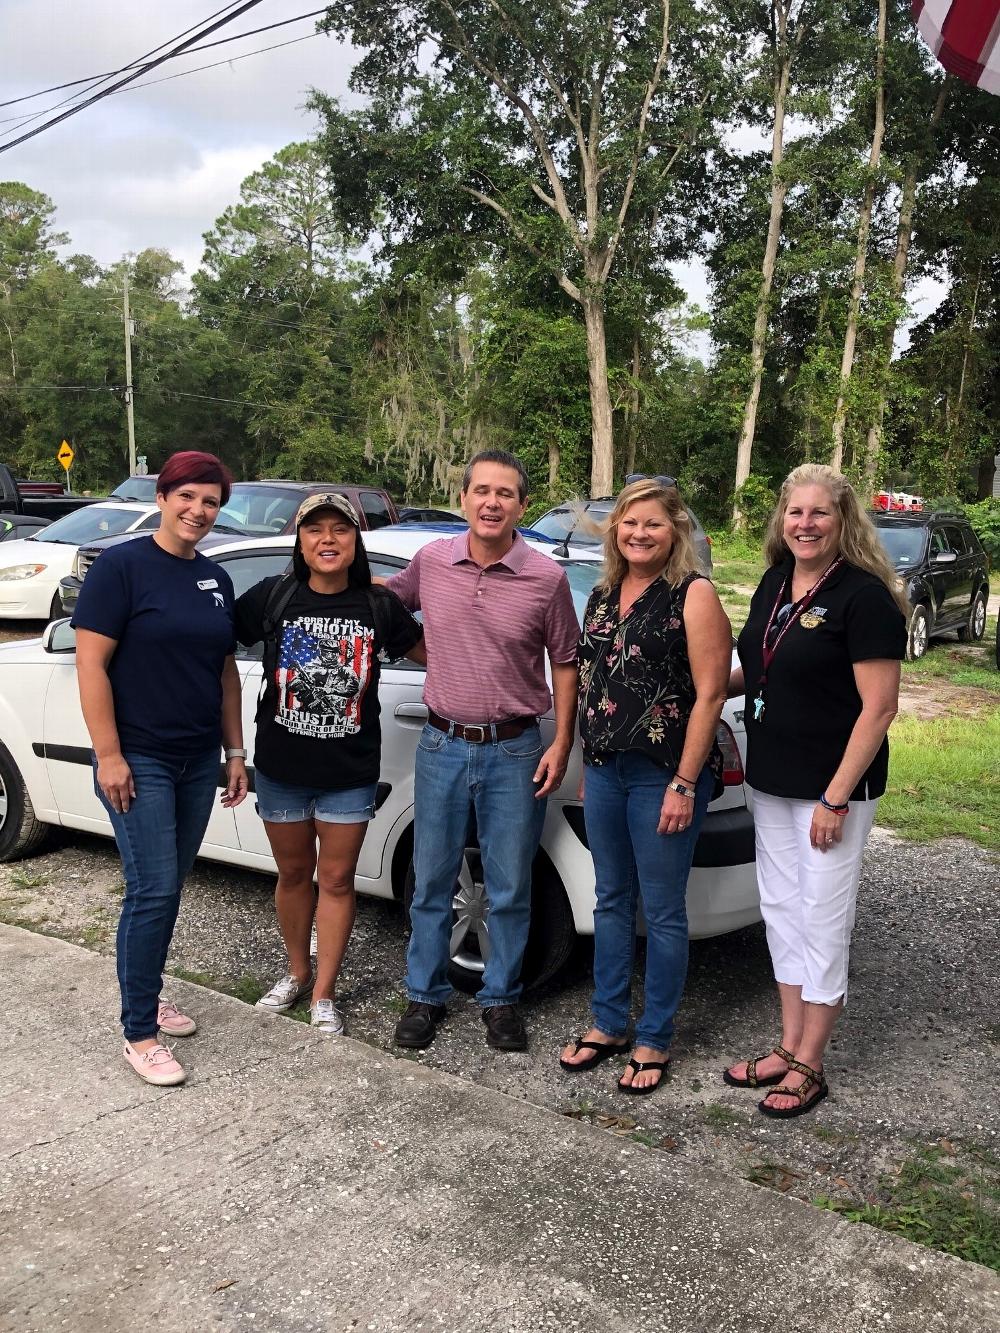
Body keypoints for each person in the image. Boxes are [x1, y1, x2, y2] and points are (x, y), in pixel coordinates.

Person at [725, 464, 907, 1118]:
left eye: (818, 513)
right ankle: (788, 1042)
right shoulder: (776, 582)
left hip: (831, 794)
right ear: (782, 518)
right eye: (794, 511)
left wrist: (835, 796)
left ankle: (812, 1064)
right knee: (782, 911)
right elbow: (766, 663)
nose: (804, 523)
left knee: (822, 920)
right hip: (771, 780)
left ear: (842, 518)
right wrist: (712, 688)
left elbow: (879, 708)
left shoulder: (864, 598)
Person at [385, 450, 579, 1052]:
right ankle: (424, 996)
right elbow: (385, 607)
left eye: (506, 493)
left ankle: (500, 1001)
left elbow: (566, 662)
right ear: (464, 498)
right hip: (441, 743)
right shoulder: (432, 561)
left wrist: (563, 740)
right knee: (432, 879)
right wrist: (318, 576)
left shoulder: (545, 579)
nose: (492, 502)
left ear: (522, 505)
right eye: (481, 491)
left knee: (509, 884)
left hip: (515, 749)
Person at [73, 451, 249, 1088]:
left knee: (166, 888)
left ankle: (144, 995)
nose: (198, 511)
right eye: (189, 497)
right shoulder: (121, 567)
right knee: (151, 890)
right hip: (138, 757)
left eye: (211, 503)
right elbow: (90, 665)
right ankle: (138, 1031)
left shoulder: (214, 578)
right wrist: (109, 754)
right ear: (163, 494)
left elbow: (223, 671)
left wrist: (234, 752)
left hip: (197, 759)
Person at [559, 478, 732, 1094]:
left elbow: (711, 692)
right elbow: (589, 678)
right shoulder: (603, 595)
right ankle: (608, 1023)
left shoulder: (695, 594)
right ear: (615, 531)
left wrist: (686, 783)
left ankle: (655, 1036)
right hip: (606, 770)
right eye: (629, 523)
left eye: (653, 524)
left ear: (675, 530)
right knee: (610, 899)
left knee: (661, 910)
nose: (639, 533)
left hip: (665, 774)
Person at [234, 494, 424, 1037]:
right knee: (294, 875)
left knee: (337, 880)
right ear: (299, 540)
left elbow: (438, 654)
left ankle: (324, 994)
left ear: (355, 541)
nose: (327, 539)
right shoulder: (274, 596)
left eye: (340, 529)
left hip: (350, 772)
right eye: (314, 529)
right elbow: (208, 644)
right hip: (281, 767)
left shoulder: (378, 606)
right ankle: (296, 973)